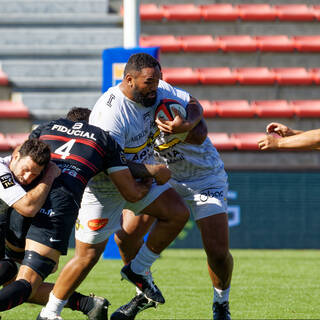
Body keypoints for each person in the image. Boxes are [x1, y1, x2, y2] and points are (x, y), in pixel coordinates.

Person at [39, 53, 193, 319]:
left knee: (177, 212)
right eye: (149, 82)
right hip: (104, 186)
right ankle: (50, 313)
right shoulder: (109, 113)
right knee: (87, 256)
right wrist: (152, 170)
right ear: (129, 79)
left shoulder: (156, 89)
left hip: (140, 178)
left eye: (158, 80)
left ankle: (138, 270)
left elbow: (194, 104)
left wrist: (187, 121)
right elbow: (107, 164)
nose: (155, 87)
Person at [0, 107, 157, 320]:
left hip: (25, 218)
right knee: (20, 280)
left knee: (18, 278)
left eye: (33, 172)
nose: (27, 176)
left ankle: (85, 303)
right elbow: (127, 182)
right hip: (46, 212)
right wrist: (153, 173)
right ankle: (84, 302)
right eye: (26, 170)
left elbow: (28, 205)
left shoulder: (45, 134)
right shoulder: (100, 141)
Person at [111, 102, 233, 319]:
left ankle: (221, 304)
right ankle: (143, 292)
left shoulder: (169, 100)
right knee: (126, 236)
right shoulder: (126, 113)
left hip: (204, 178)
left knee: (217, 252)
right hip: (163, 175)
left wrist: (184, 125)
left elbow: (199, 134)